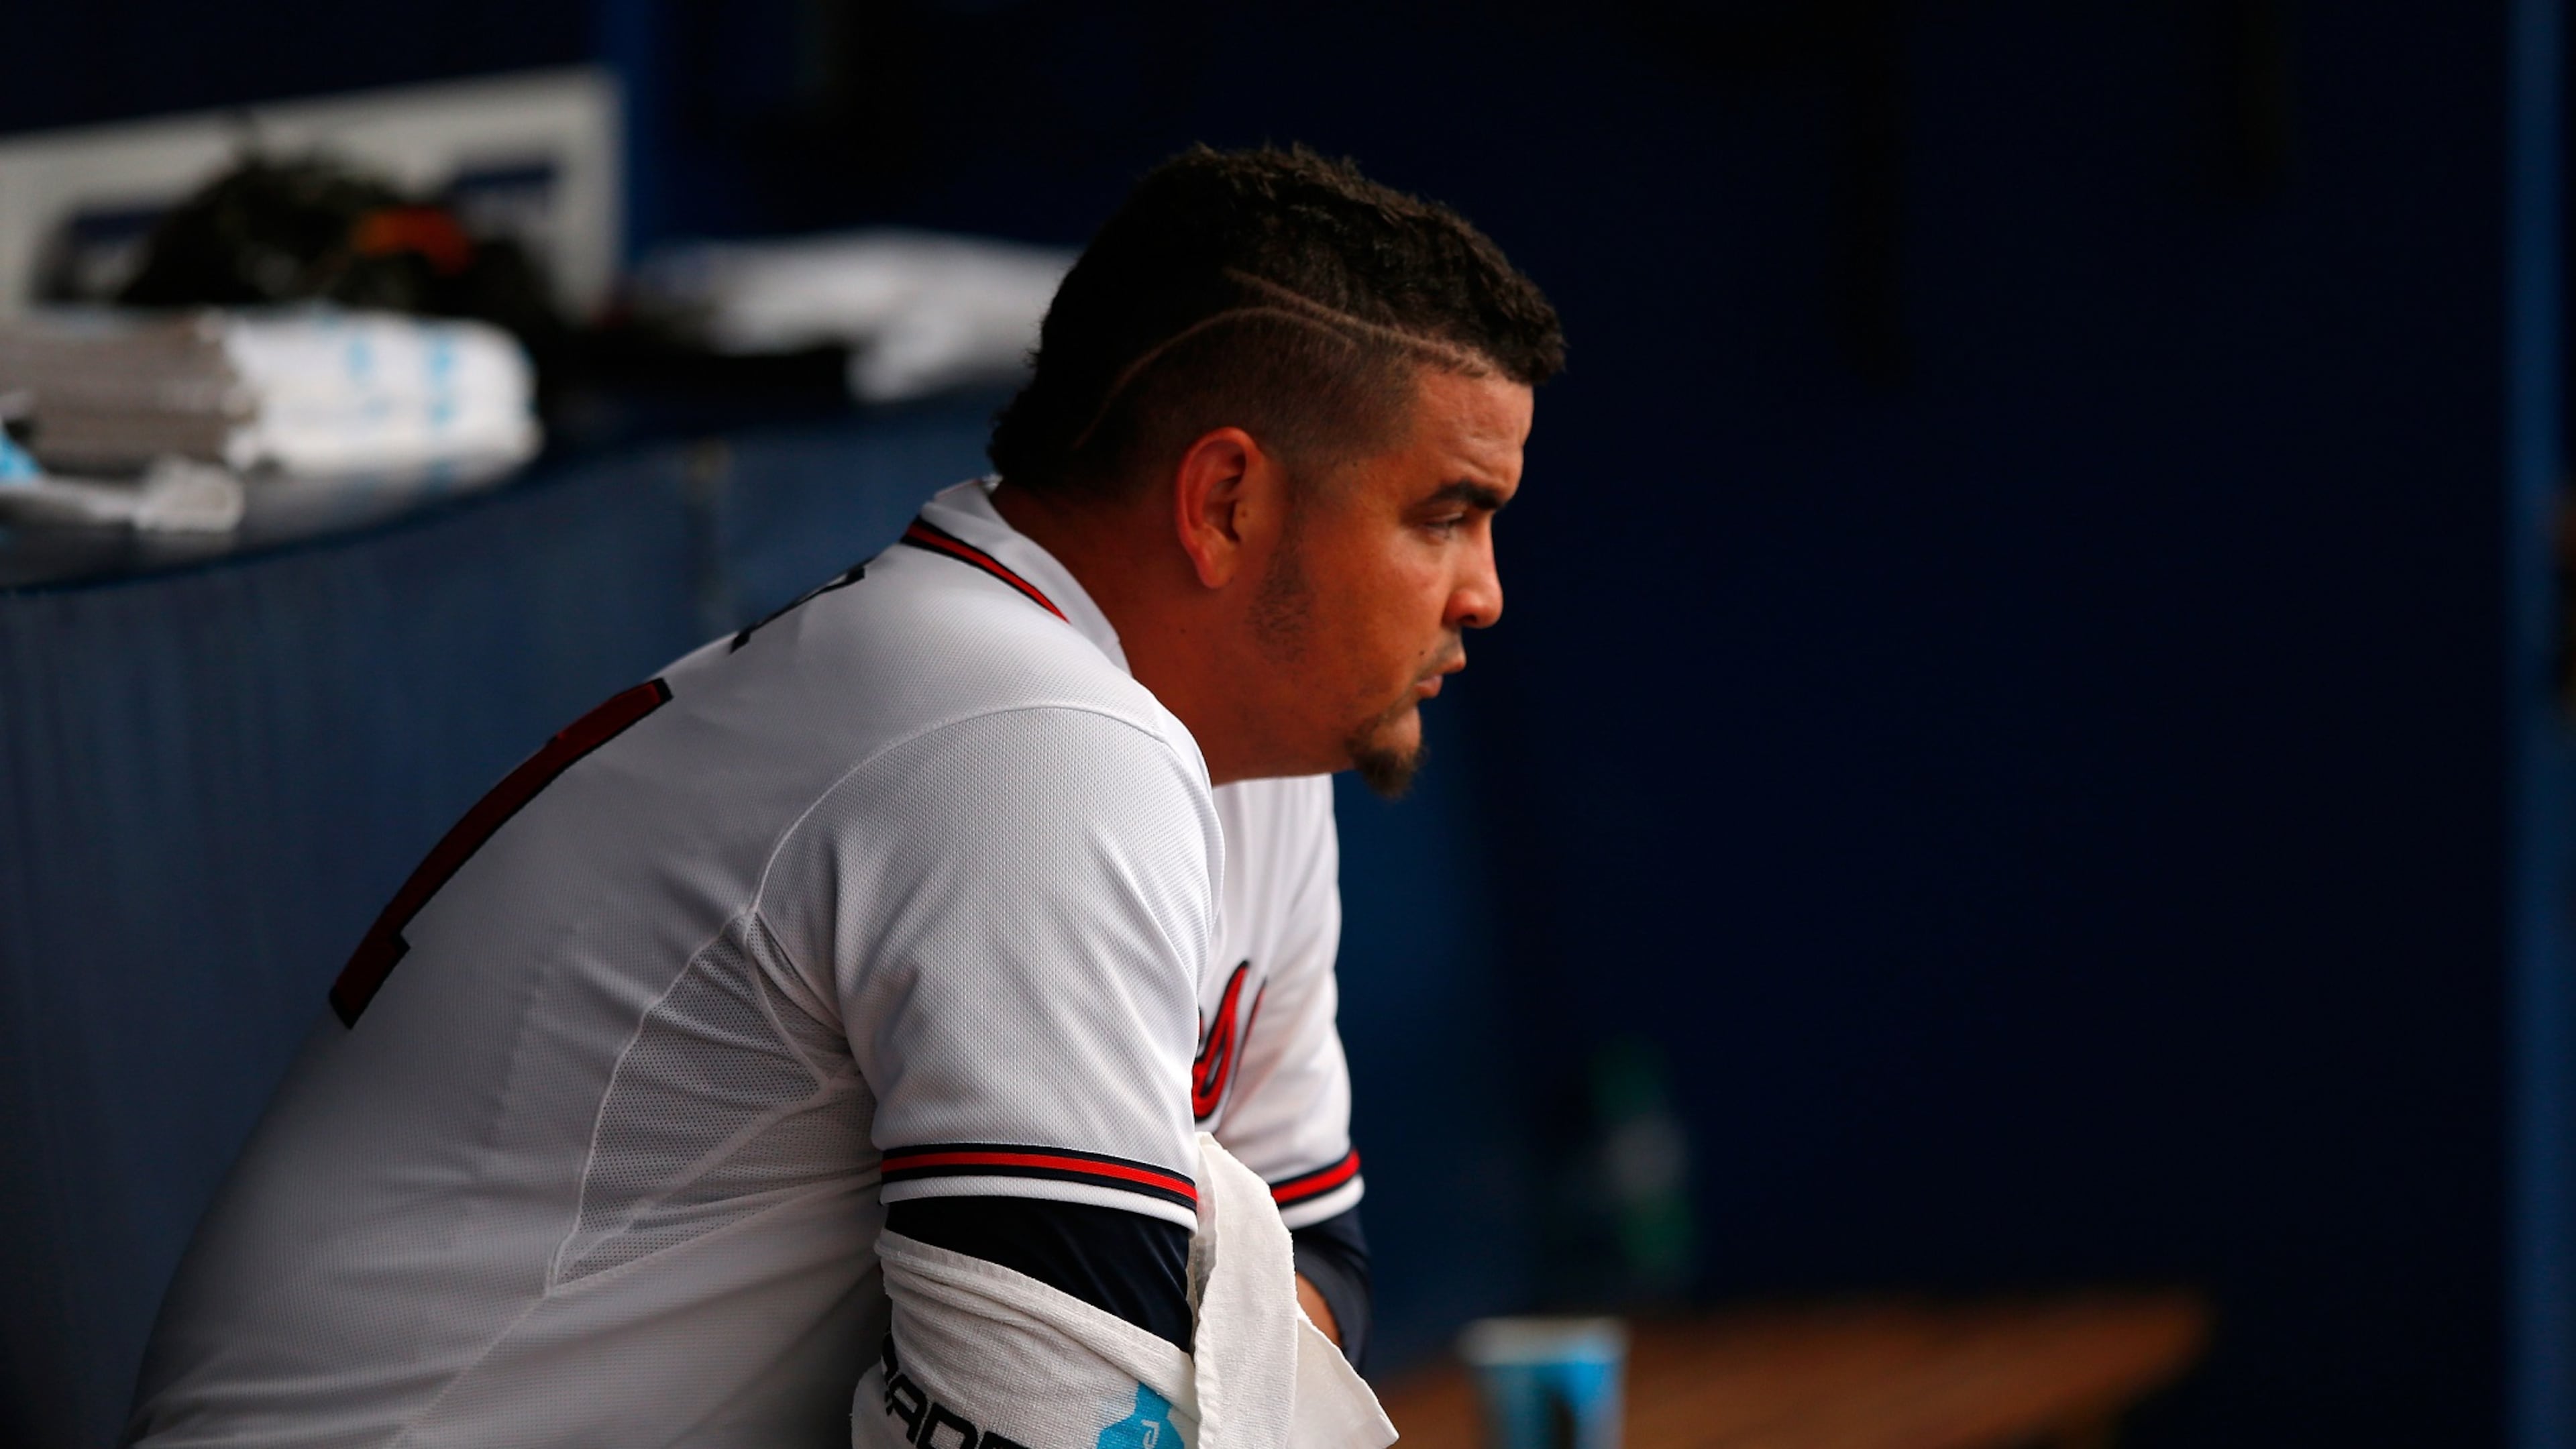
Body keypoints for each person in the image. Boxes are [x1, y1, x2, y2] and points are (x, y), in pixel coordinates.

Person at [125, 145, 1564, 1448]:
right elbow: (1068, 1433)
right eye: (1445, 512)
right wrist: (1169, 1346)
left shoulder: (1216, 753)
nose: (1487, 595)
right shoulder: (1025, 735)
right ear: (1228, 502)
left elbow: (1315, 1281)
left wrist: (1176, 1348)